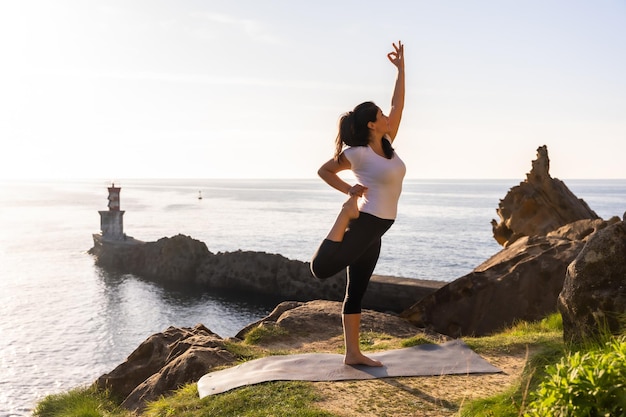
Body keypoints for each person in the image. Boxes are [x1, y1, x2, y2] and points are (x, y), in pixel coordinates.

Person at [310, 41, 406, 367]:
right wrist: (349, 191)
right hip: (367, 222)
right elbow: (324, 170)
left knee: (356, 291)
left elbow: (399, 105)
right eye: (380, 114)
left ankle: (352, 354)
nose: (387, 116)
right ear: (371, 124)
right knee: (321, 268)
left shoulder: (387, 146)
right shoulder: (357, 154)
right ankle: (342, 217)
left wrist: (401, 70)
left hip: (377, 228)